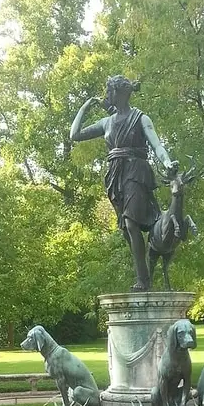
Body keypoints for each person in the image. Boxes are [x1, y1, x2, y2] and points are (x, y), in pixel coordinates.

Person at [70, 75, 178, 291]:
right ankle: (144, 271)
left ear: (119, 93)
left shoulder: (140, 118)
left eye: (109, 92)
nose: (106, 96)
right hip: (115, 176)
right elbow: (75, 135)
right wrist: (84, 107)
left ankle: (143, 280)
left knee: (130, 222)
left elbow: (157, 145)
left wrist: (166, 162)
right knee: (126, 229)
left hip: (136, 171)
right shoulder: (106, 122)